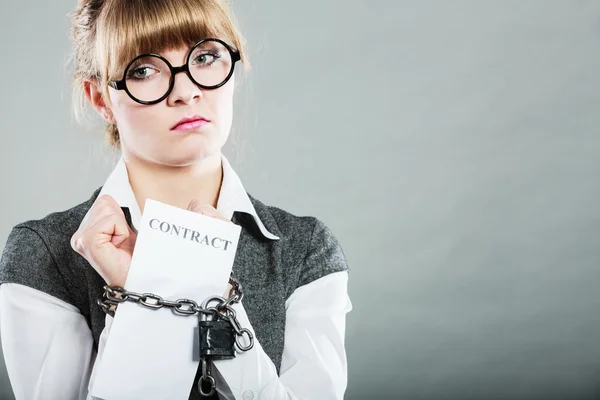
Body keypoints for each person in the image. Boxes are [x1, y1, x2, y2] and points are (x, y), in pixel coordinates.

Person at [0, 0, 352, 399]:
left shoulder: (304, 248)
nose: (186, 92)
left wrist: (201, 286)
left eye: (205, 56)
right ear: (100, 98)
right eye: (144, 70)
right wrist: (140, 300)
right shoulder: (42, 254)